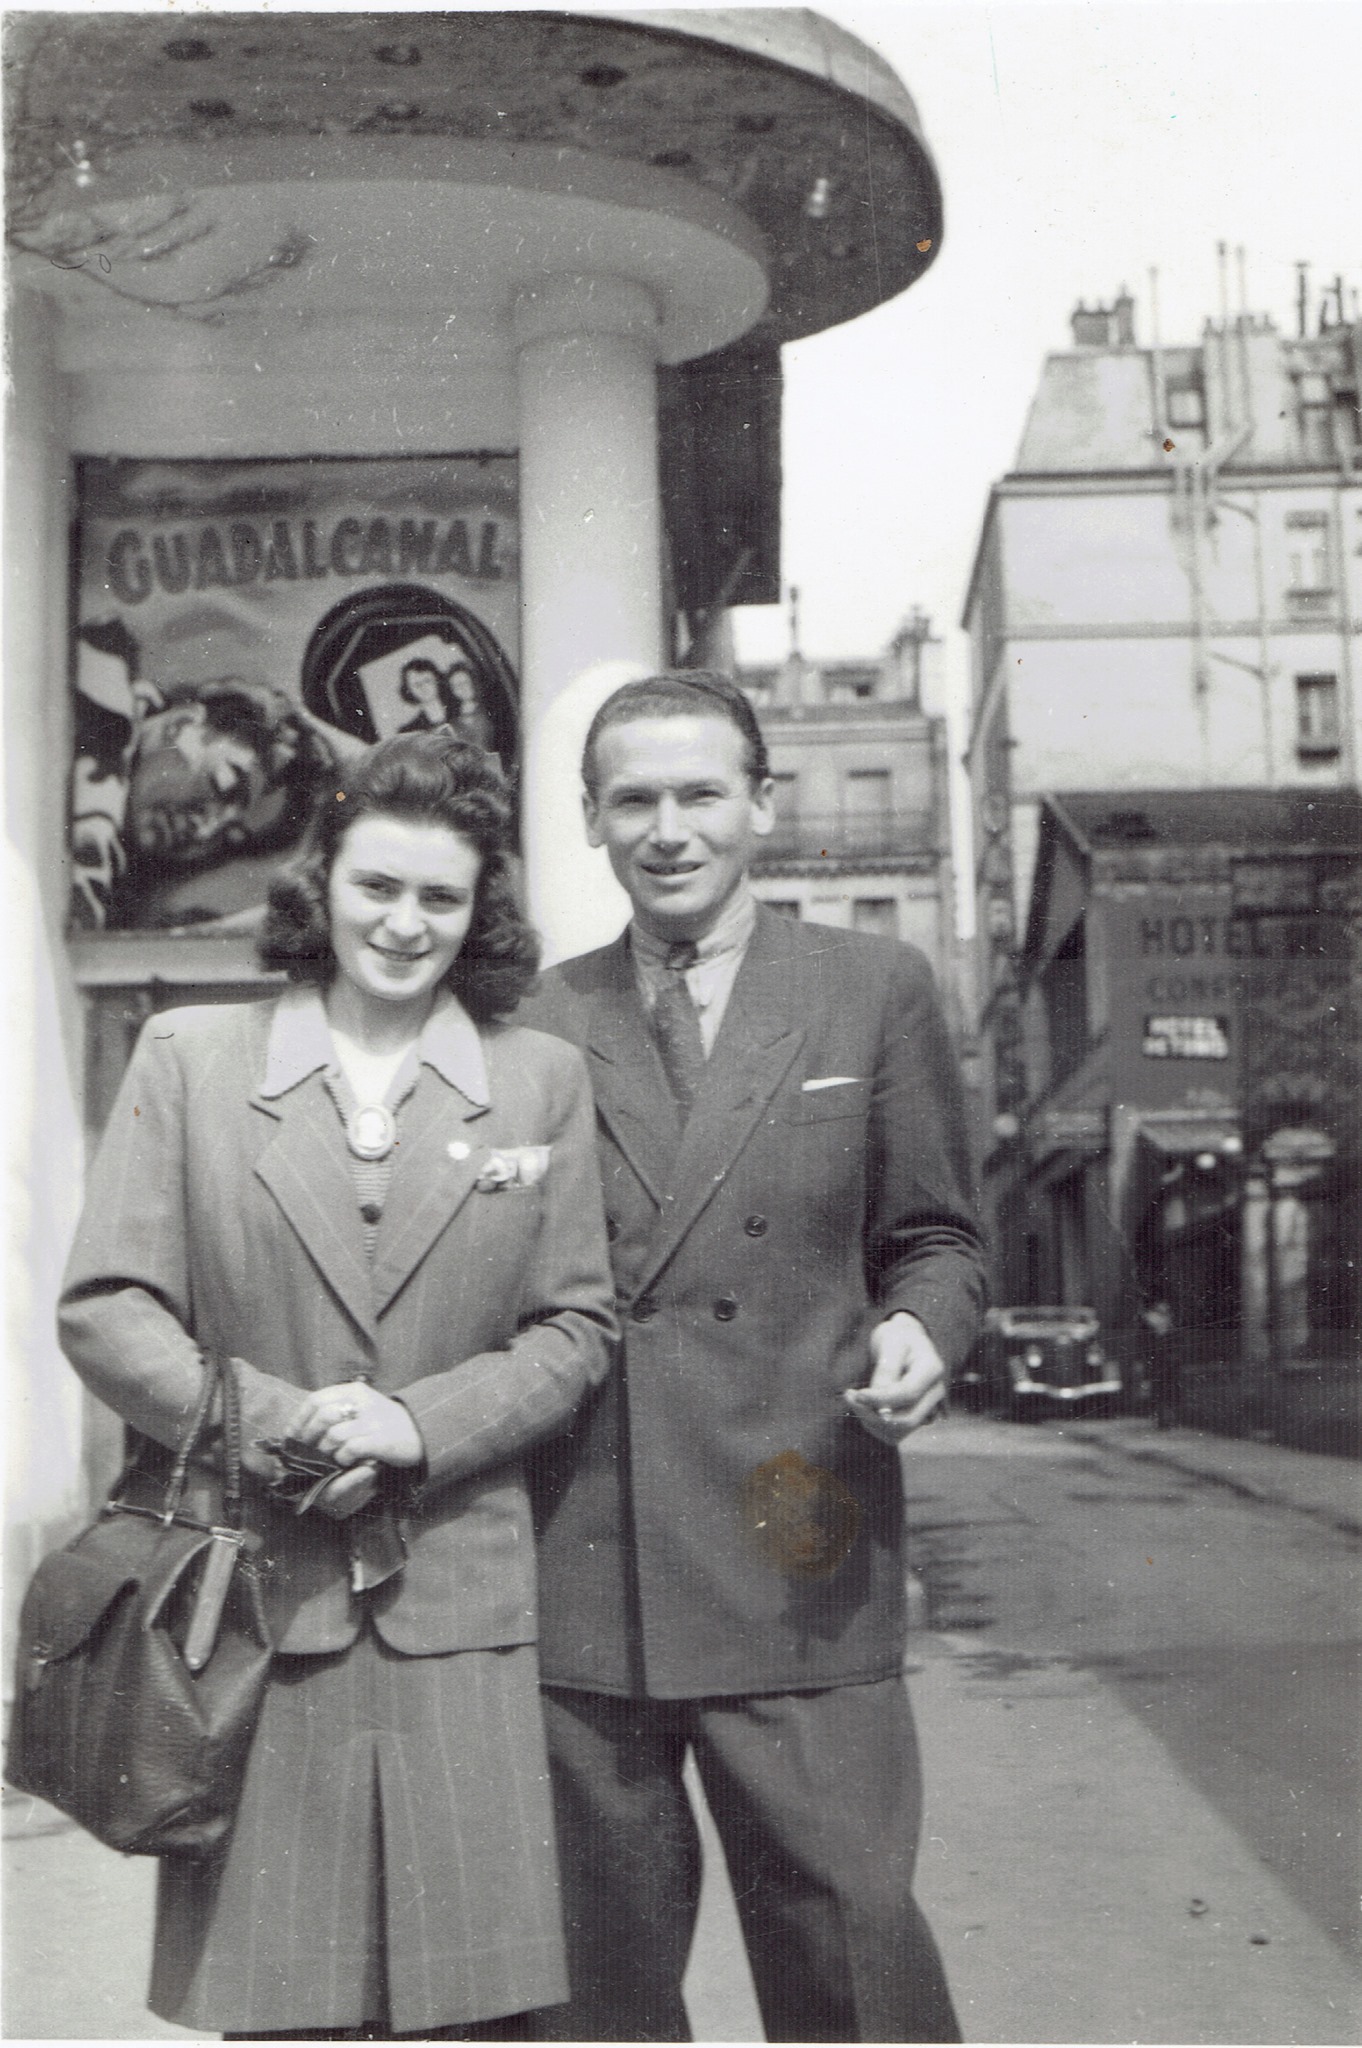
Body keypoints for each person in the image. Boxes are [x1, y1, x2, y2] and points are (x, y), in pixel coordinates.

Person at [57, 731, 618, 2040]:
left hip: (457, 1612)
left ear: (480, 909)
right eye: (377, 885)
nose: (405, 923)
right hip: (256, 1604)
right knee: (281, 2010)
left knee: (473, 2017)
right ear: (321, 881)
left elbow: (576, 1323)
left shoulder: (538, 1079)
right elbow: (108, 1307)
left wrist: (418, 1425)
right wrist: (284, 1427)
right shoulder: (190, 1058)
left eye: (441, 896)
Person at [519, 672, 987, 2043]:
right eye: (635, 800)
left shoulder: (870, 987)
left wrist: (922, 1328)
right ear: (591, 819)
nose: (668, 829)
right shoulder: (535, 1021)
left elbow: (938, 1238)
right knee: (594, 2000)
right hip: (587, 1563)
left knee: (853, 1955)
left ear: (761, 805)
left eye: (700, 793)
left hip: (801, 1545)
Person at [71, 621, 337, 928]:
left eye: (231, 838)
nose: (207, 830)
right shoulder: (92, 688)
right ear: (183, 723)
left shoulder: (120, 895)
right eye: (225, 789)